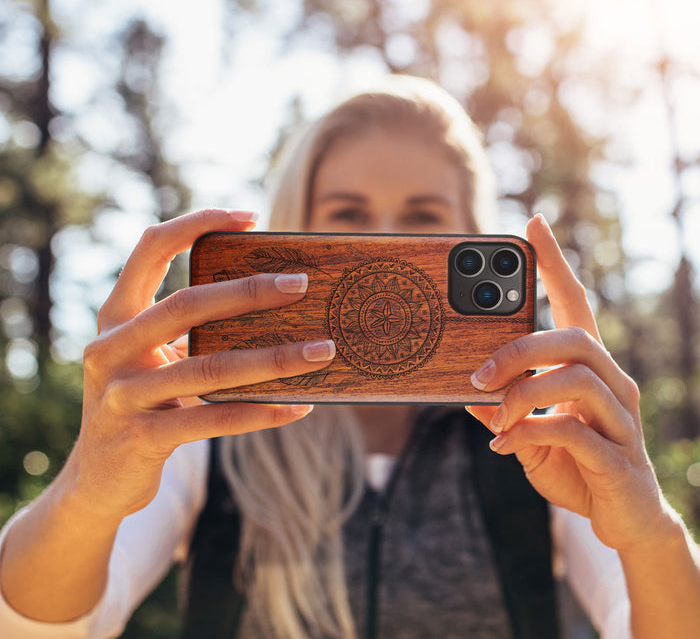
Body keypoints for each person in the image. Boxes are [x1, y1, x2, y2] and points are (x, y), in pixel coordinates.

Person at [0, 76, 698, 639]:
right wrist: (88, 490)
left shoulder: (538, 436)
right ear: (296, 228)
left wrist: (649, 533)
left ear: (469, 232)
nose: (386, 246)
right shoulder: (208, 429)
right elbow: (43, 628)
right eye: (348, 215)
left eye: (423, 218)